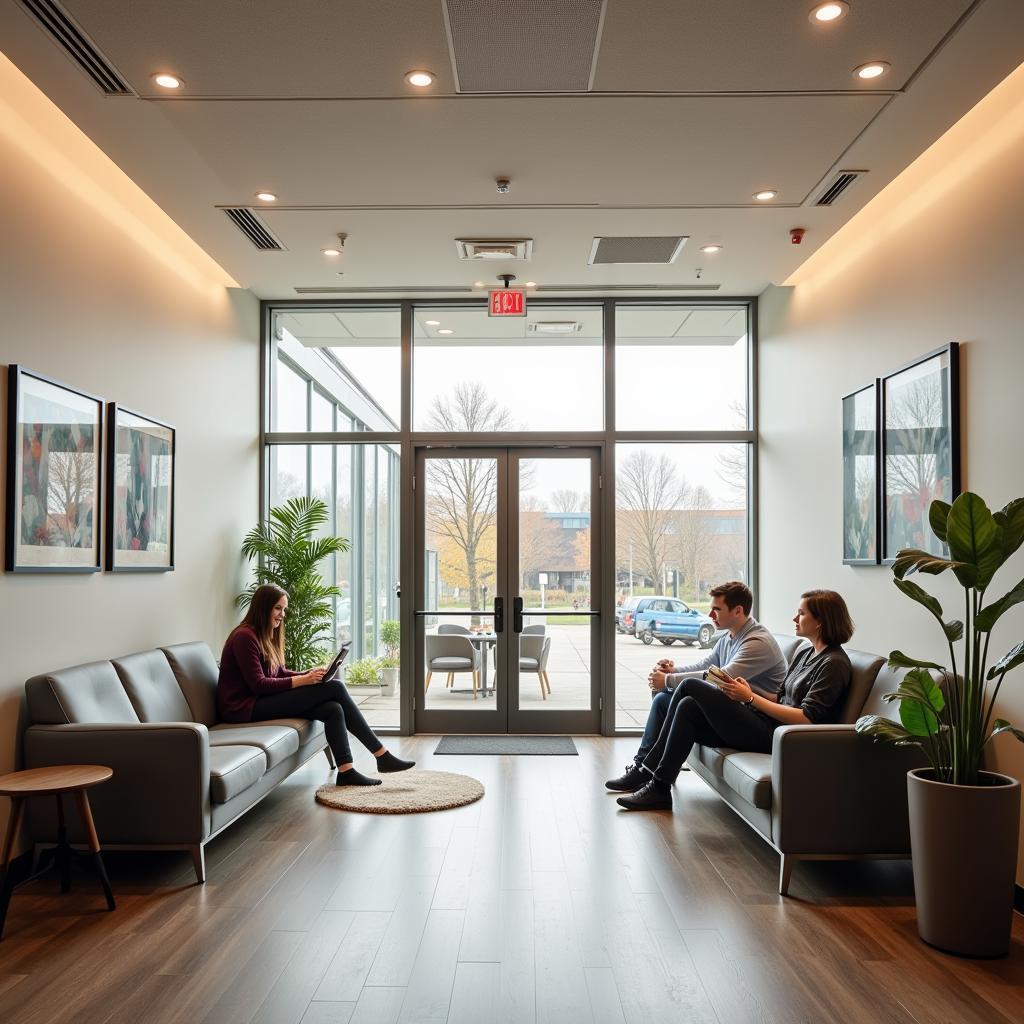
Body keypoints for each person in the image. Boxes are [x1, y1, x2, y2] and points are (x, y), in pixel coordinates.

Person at [616, 589, 855, 811]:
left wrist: (750, 698)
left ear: (820, 621)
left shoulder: (833, 664)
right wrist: (748, 691)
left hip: (782, 737)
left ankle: (648, 772)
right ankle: (659, 787)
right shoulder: (806, 652)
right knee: (688, 707)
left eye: (802, 613)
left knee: (690, 686)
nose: (794, 618)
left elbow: (806, 719)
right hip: (766, 722)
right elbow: (780, 697)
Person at [218, 584, 415, 786]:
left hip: (258, 701)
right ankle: (381, 754)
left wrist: (309, 674)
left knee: (333, 709)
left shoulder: (265, 635)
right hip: (242, 708)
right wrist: (303, 681)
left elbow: (279, 673)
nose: (282, 615)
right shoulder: (244, 637)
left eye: (284, 609)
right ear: (263, 608)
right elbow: (258, 684)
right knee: (336, 688)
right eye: (278, 608)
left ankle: (346, 771)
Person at [606, 581, 787, 793]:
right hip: (738, 715)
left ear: (738, 610)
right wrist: (672, 671)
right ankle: (643, 766)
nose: (710, 615)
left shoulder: (758, 642)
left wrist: (667, 681)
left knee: (688, 686)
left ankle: (648, 769)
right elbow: (705, 665)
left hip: (757, 723)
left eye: (717, 609)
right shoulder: (729, 636)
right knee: (663, 700)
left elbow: (718, 678)